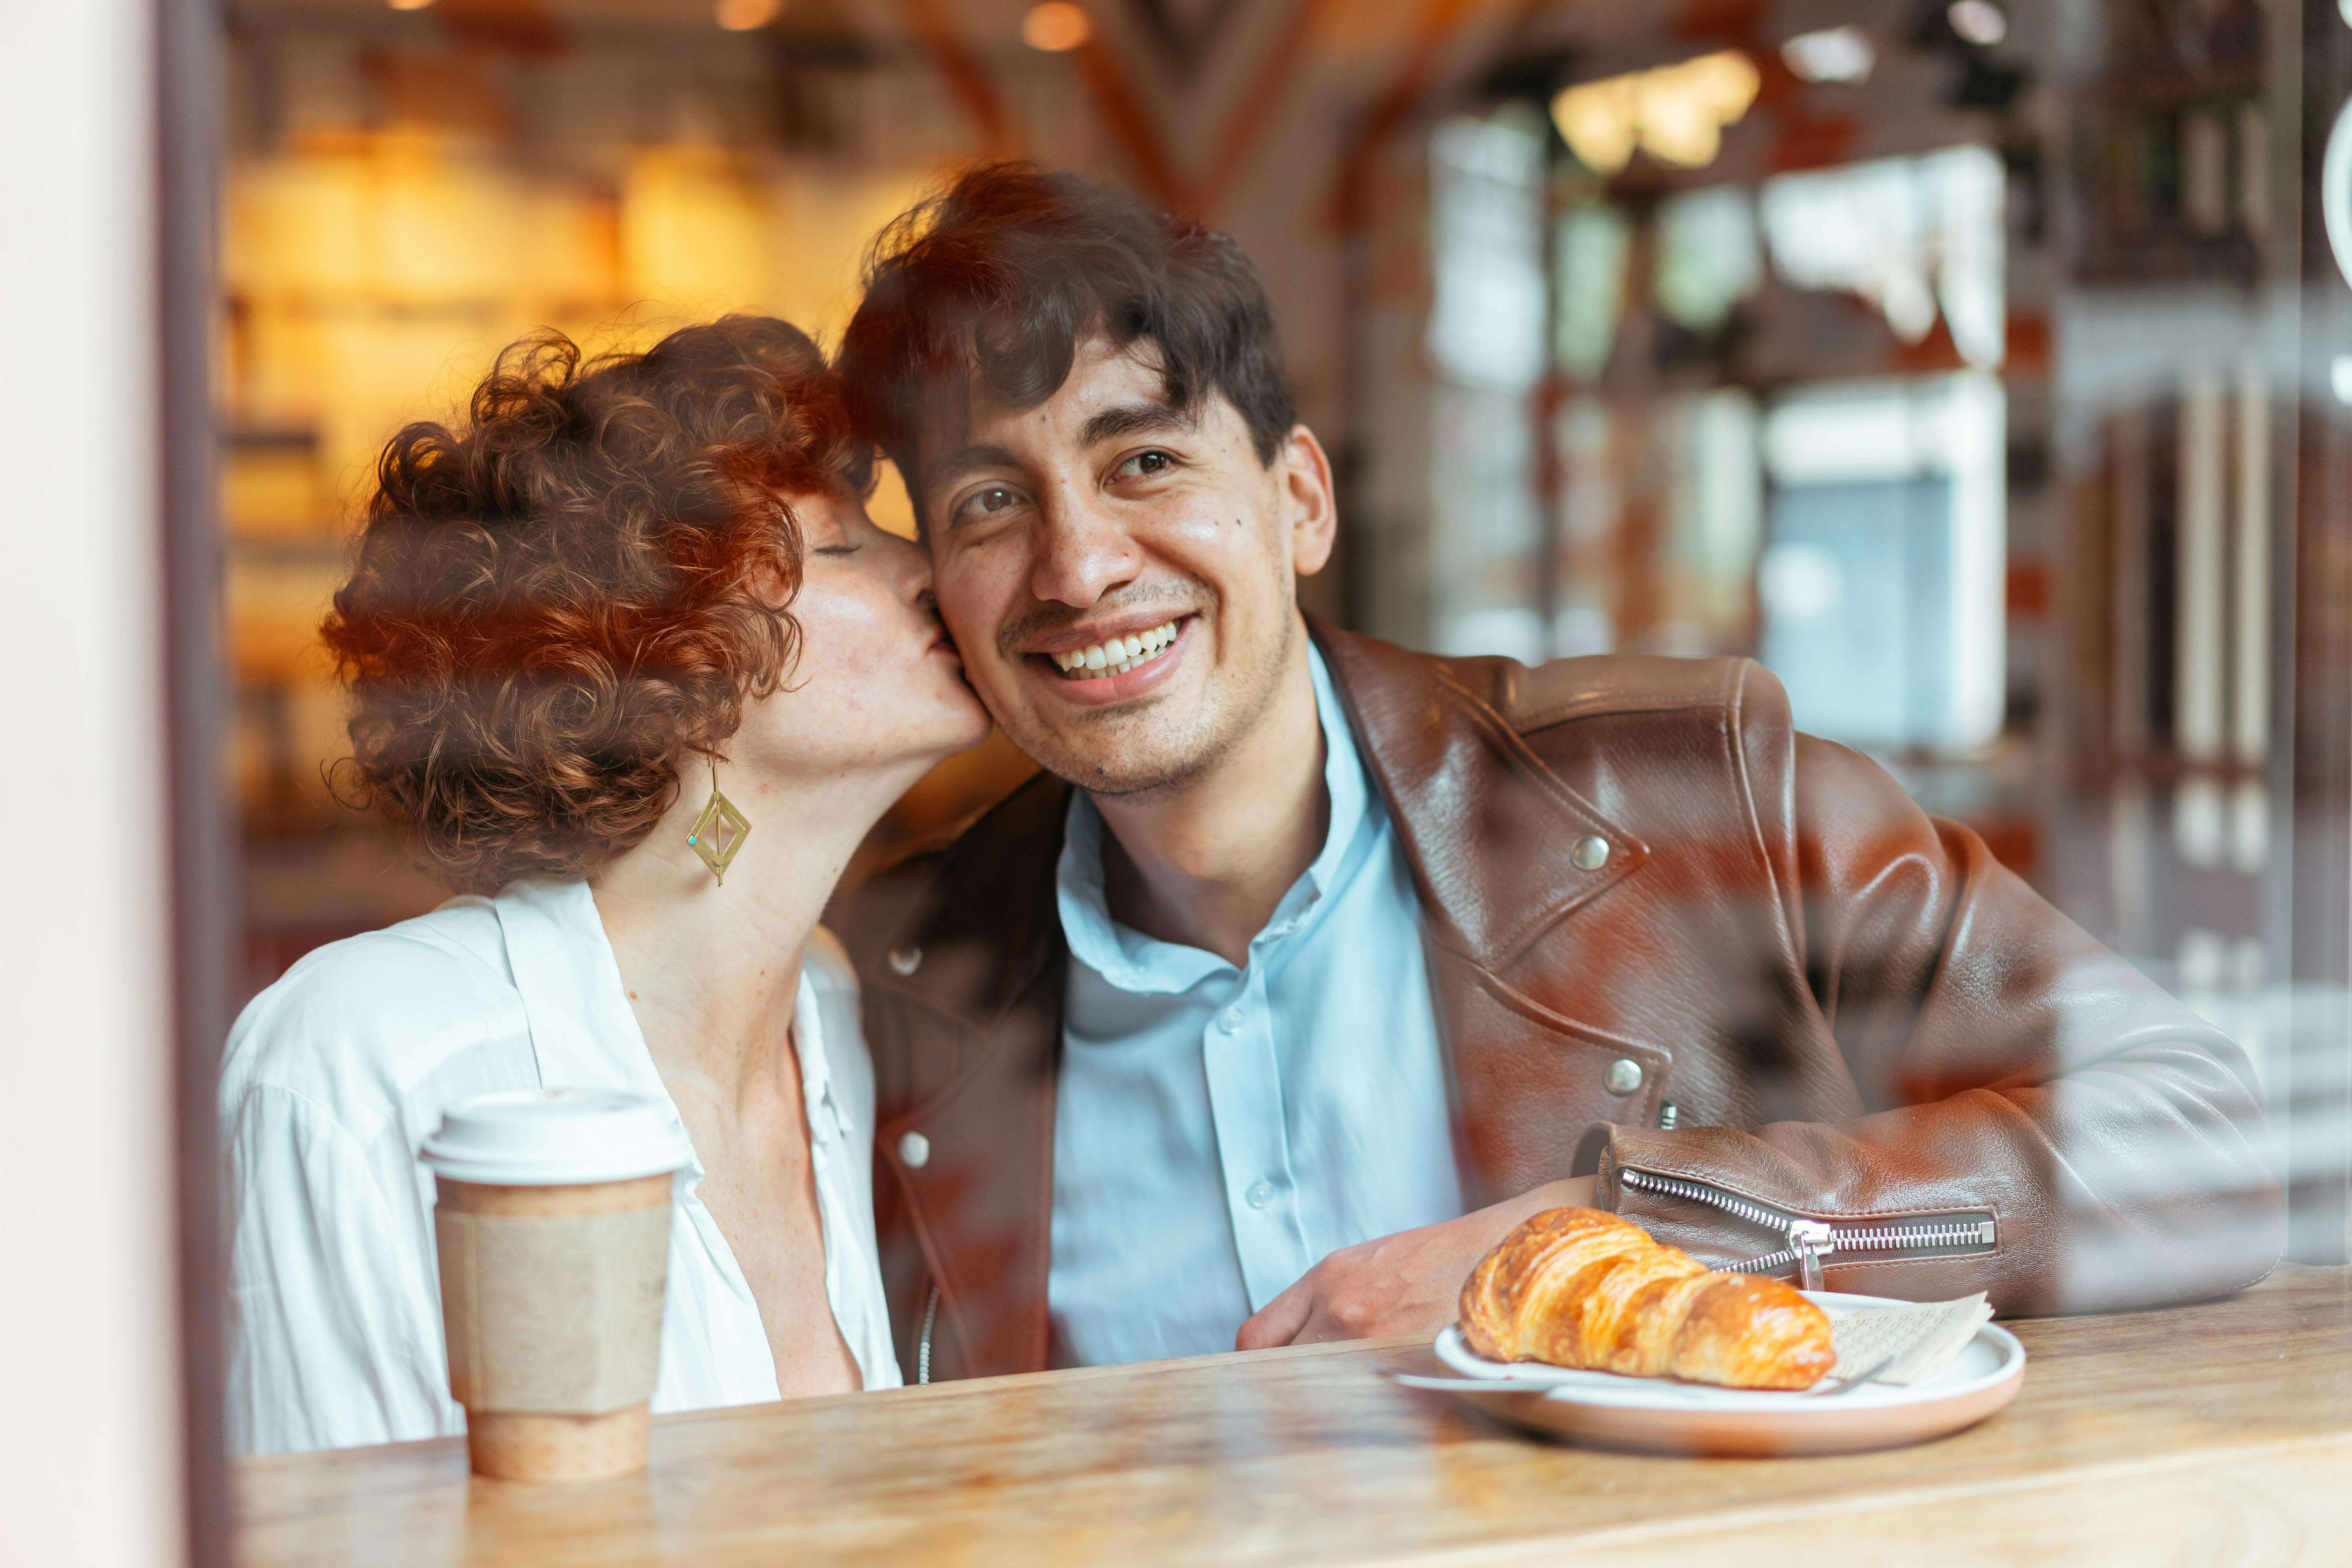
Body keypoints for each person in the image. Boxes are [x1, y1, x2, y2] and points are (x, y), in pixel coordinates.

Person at [829, 163, 2284, 1382]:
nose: (1079, 566)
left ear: (1299, 502)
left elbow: (2196, 1145)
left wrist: (1629, 1225)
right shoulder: (896, 981)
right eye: (990, 501)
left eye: (1143, 462)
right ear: (941, 589)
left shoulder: (1697, 800)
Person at [218, 316, 991, 1454]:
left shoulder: (843, 1019)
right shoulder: (360, 1063)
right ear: (671, 668)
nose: (929, 570)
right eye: (840, 548)